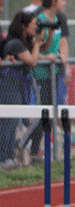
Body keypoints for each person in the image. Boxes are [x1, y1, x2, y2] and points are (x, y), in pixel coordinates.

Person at [21, 0, 71, 162]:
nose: (64, 3)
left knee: (48, 115)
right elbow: (35, 49)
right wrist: (47, 56)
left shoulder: (56, 20)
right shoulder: (39, 20)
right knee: (43, 113)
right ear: (54, 2)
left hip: (53, 73)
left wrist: (58, 55)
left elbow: (48, 45)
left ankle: (35, 152)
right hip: (39, 74)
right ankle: (21, 145)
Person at [0, 12, 40, 169]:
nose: (36, 27)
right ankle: (4, 158)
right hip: (9, 85)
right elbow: (32, 61)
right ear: (24, 26)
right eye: (34, 24)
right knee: (8, 123)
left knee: (13, 122)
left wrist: (42, 40)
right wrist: (36, 44)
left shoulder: (19, 43)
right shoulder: (15, 44)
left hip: (16, 85)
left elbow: (36, 56)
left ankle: (8, 156)